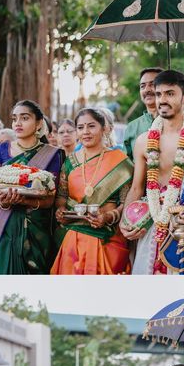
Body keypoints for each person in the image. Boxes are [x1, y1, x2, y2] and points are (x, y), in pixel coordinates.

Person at [121, 69, 184, 275]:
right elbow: (136, 188)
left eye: (170, 93)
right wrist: (126, 220)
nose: (162, 100)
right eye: (159, 94)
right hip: (153, 223)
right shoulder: (143, 141)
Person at [0, 99, 63, 274]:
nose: (17, 123)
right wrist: (2, 201)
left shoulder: (51, 154)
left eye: (24, 118)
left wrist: (26, 201)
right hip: (3, 226)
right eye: (14, 118)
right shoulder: (1, 150)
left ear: (39, 123)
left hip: (35, 231)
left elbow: (50, 199)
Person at [51, 108, 133, 274]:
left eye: (91, 126)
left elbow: (128, 202)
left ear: (104, 129)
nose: (85, 132)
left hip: (107, 237)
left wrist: (109, 216)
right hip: (73, 239)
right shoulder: (70, 162)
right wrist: (60, 211)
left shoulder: (120, 163)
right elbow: (61, 196)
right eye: (80, 128)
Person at [123, 67, 164, 161]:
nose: (147, 89)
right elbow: (126, 166)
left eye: (152, 84)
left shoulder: (182, 121)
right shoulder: (132, 127)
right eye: (143, 86)